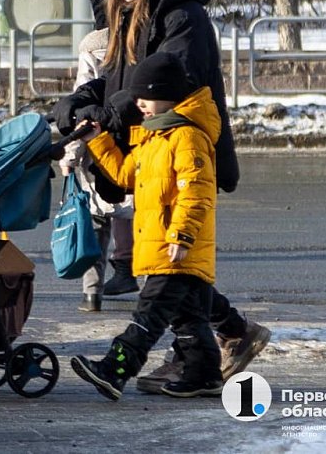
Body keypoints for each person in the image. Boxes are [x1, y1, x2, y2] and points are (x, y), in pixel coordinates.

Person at [48, 0, 269, 391]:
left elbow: (167, 81)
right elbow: (115, 78)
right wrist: (79, 103)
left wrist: (108, 114)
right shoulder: (126, 14)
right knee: (177, 274)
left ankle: (151, 363)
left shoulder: (182, 17)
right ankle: (215, 349)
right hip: (149, 148)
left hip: (179, 145)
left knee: (170, 273)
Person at [69, 52, 223, 400]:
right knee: (189, 319)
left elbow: (197, 192)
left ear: (169, 94)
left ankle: (113, 370)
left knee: (148, 317)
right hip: (164, 246)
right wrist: (99, 140)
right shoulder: (153, 137)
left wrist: (182, 235)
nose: (139, 104)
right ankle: (204, 374)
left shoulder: (186, 137)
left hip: (177, 247)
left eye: (146, 97)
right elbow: (125, 174)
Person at [59, 18, 136, 313]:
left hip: (97, 144)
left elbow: (81, 110)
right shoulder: (143, 40)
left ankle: (92, 294)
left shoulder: (92, 47)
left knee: (96, 223)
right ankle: (135, 274)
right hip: (133, 144)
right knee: (135, 215)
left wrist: (70, 154)